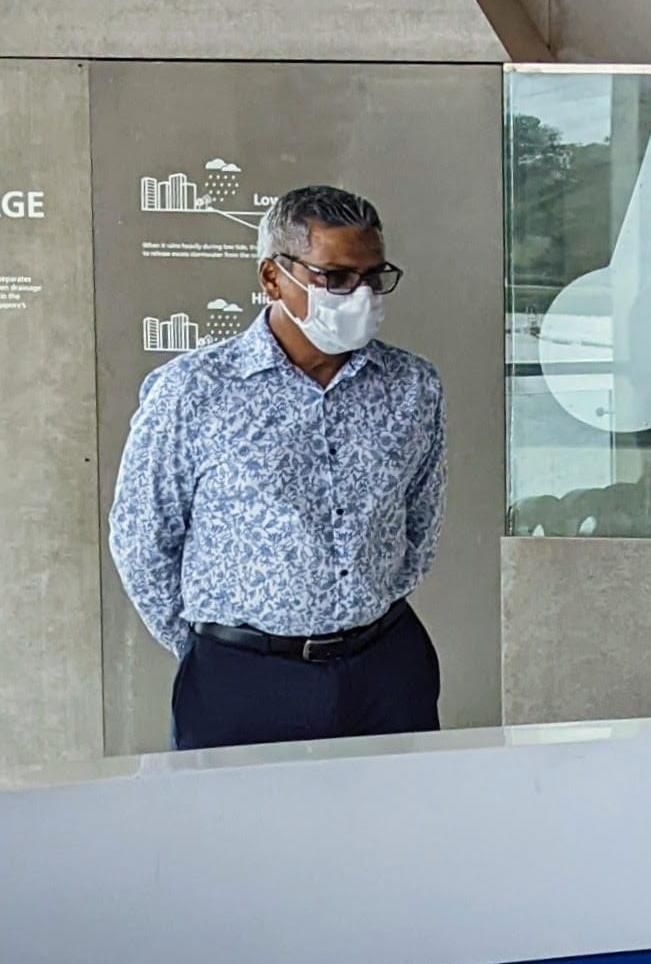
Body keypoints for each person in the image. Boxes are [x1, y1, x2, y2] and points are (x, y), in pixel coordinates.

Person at [108, 183, 447, 751]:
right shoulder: (193, 392)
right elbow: (142, 538)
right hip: (243, 681)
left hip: (386, 671)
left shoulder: (412, 386)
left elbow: (422, 523)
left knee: (396, 834)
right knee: (239, 838)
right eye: (335, 277)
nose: (359, 294)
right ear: (273, 279)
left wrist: (361, 610)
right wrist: (214, 647)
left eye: (372, 276)